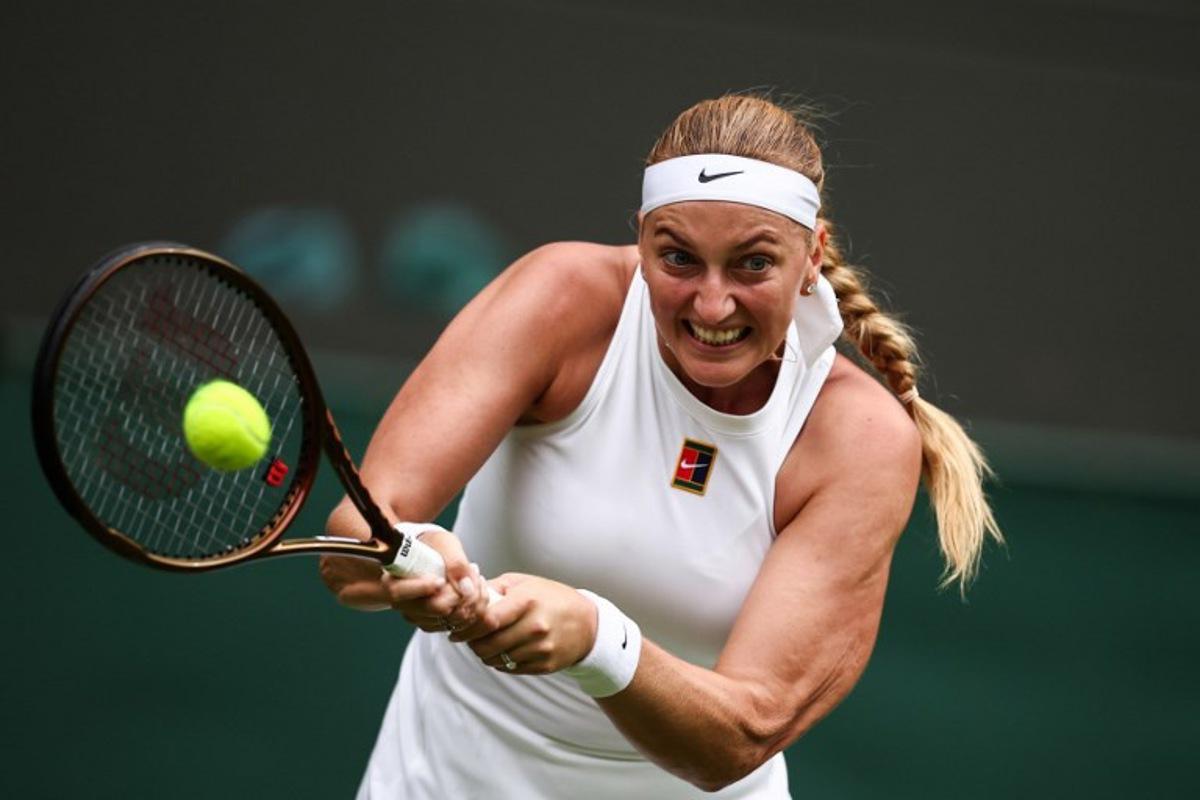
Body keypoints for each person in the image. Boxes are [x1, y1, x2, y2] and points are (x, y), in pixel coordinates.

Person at [319, 94, 1002, 798]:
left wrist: (597, 640)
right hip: (442, 777)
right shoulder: (561, 300)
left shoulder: (857, 438)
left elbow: (742, 734)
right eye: (678, 258)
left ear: (812, 257)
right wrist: (414, 557)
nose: (711, 305)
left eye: (752, 265)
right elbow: (355, 545)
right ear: (641, 239)